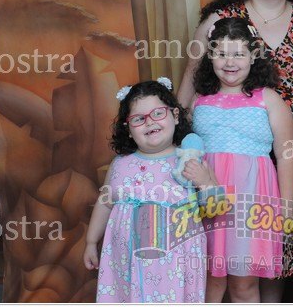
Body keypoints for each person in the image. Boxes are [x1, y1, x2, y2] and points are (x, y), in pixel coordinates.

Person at [178, 0, 293, 299]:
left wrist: (286, 208)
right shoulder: (221, 21)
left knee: (249, 273)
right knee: (209, 275)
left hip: (268, 168)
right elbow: (189, 85)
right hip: (208, 183)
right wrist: (174, 136)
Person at [190, 18, 293, 303]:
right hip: (206, 200)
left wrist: (286, 209)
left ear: (252, 56)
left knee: (243, 285)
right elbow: (185, 150)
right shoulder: (199, 100)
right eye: (221, 53)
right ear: (210, 56)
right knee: (208, 283)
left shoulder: (268, 99)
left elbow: (286, 156)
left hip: (252, 200)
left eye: (238, 53)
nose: (230, 62)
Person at [83, 78, 216, 303]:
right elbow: (105, 202)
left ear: (175, 115)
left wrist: (205, 181)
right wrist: (90, 241)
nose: (149, 122)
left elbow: (216, 208)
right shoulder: (121, 164)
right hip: (126, 261)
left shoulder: (189, 160)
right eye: (138, 119)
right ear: (128, 128)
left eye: (158, 113)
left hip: (175, 262)